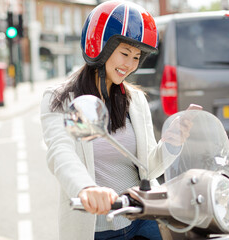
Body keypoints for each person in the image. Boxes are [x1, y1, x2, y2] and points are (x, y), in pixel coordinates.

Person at [41, 1, 189, 239]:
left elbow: (148, 168)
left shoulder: (135, 100)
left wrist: (171, 142)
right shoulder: (60, 99)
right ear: (100, 48)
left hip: (143, 217)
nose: (129, 65)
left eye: (136, 57)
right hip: (95, 227)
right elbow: (61, 153)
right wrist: (86, 188)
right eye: (124, 53)